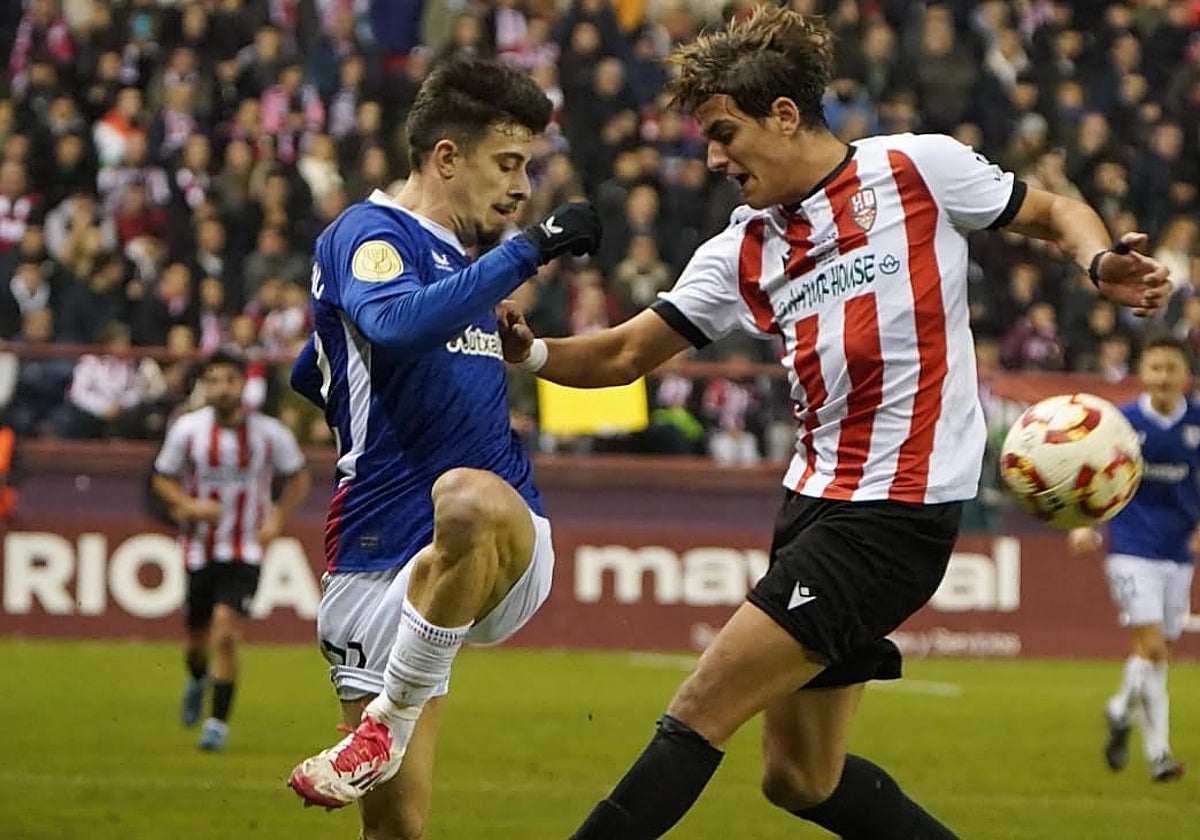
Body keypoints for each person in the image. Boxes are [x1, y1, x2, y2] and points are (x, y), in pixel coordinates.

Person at [497, 8, 1171, 839]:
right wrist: (525, 355)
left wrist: (1099, 260)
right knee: (800, 778)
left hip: (894, 516)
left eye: (723, 133)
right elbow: (621, 356)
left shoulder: (917, 169)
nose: (713, 158)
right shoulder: (741, 251)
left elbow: (1056, 212)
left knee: (703, 702)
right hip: (810, 507)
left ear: (784, 115)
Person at [282, 55, 601, 836]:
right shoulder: (368, 233)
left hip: (501, 538)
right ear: (447, 157)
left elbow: (324, 363)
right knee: (396, 830)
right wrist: (530, 249)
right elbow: (382, 330)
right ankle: (384, 734)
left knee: (470, 496)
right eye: (509, 163)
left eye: (528, 166)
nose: (524, 188)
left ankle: (382, 727)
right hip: (375, 561)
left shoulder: (460, 266)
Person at [151, 349, 311, 752]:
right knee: (196, 640)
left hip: (245, 549)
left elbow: (298, 478)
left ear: (243, 385)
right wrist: (187, 506)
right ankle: (196, 679)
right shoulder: (187, 429)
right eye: (214, 381)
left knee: (226, 633)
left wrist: (276, 520)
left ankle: (217, 725)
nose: (221, 389)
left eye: (229, 380)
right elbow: (162, 478)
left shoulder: (268, 433)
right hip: (198, 549)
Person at [1068, 334, 1194, 783]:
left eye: (1171, 369)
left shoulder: (1197, 423)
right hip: (1131, 547)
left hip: (1179, 553)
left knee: (1156, 651)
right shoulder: (1122, 424)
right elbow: (1091, 473)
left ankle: (1119, 708)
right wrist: (1084, 521)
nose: (1162, 377)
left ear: (1185, 376)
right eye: (1155, 368)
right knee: (1155, 648)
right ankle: (1159, 754)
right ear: (1143, 372)